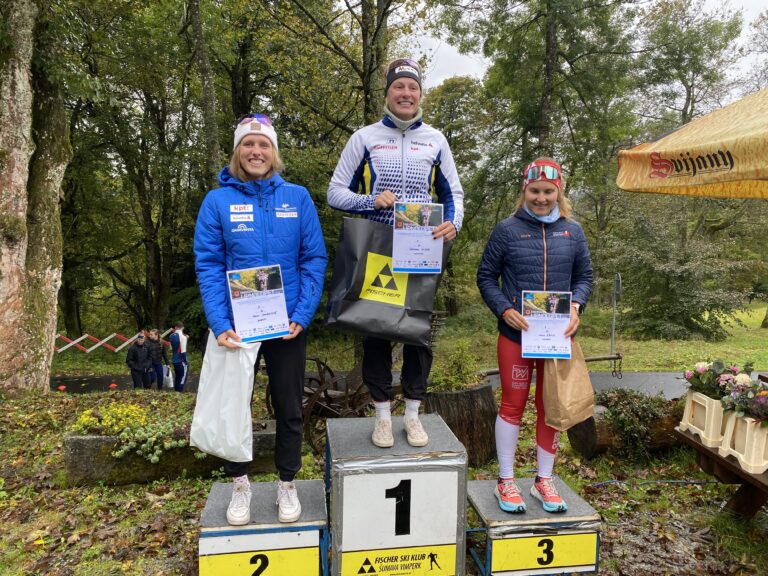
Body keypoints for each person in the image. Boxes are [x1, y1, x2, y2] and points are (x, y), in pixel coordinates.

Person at [194, 113, 327, 526]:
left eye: (263, 144)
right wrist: (220, 323)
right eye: (248, 145)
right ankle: (240, 486)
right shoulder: (217, 201)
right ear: (237, 152)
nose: (256, 152)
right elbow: (210, 264)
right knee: (234, 406)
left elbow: (313, 259)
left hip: (286, 324)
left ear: (274, 152)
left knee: (289, 405)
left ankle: (287, 482)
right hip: (237, 326)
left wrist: (303, 314)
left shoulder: (298, 197)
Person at [327, 58, 464, 449]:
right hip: (378, 248)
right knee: (377, 330)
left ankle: (414, 415)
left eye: (413, 88)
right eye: (398, 87)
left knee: (418, 332)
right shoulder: (365, 138)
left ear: (421, 95)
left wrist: (453, 223)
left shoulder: (435, 140)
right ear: (387, 93)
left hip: (421, 245)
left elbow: (453, 193)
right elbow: (335, 193)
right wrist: (371, 200)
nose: (406, 94)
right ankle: (383, 415)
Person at [476, 157, 593, 514]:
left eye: (548, 191)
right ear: (524, 191)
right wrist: (504, 309)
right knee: (513, 404)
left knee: (549, 406)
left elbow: (584, 277)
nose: (541, 198)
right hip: (516, 336)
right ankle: (506, 480)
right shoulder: (507, 230)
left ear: (559, 192)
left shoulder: (573, 232)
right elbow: (485, 277)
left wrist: (576, 307)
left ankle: (544, 480)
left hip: (556, 337)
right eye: (534, 191)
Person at [168, 321, 188, 392]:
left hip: (174, 359)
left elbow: (171, 348)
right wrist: (186, 362)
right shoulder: (183, 337)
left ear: (175, 327)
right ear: (182, 328)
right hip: (181, 360)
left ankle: (176, 392)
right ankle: (179, 392)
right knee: (182, 378)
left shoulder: (171, 336)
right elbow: (183, 352)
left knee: (177, 377)